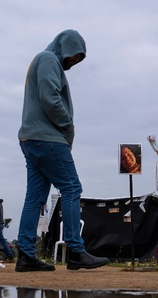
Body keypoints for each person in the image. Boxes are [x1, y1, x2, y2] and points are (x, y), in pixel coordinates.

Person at [15, 29, 108, 272]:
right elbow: (50, 98)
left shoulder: (43, 60)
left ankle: (25, 254)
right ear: (64, 47)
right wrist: (68, 124)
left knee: (35, 198)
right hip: (48, 138)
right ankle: (76, 251)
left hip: (31, 138)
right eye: (73, 57)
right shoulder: (48, 60)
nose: (73, 63)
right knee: (71, 187)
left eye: (78, 60)